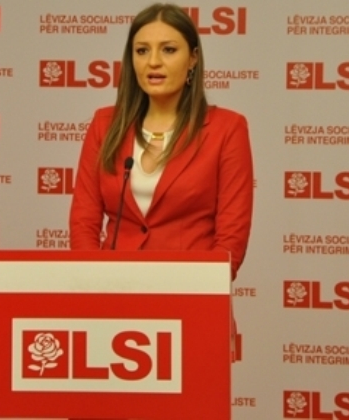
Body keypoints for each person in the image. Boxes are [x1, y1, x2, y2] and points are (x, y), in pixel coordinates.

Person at [70, 2, 253, 282]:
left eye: (168, 50)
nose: (153, 61)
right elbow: (84, 220)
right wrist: (92, 280)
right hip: (114, 289)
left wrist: (203, 288)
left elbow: (232, 235)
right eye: (142, 50)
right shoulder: (104, 125)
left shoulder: (227, 129)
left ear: (193, 58)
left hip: (191, 291)